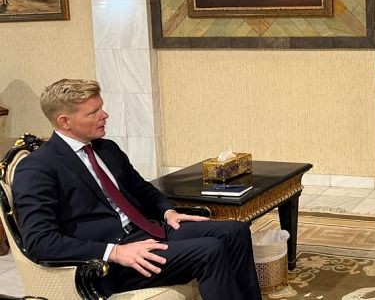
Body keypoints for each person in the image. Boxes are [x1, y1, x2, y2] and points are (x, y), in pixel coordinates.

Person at [12, 79, 262, 299]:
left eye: (101, 107)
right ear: (64, 121)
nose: (105, 115)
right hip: (110, 260)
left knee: (235, 231)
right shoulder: (37, 168)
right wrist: (115, 252)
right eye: (93, 112)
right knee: (210, 251)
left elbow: (143, 189)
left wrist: (168, 212)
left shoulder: (106, 148)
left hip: (146, 230)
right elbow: (39, 241)